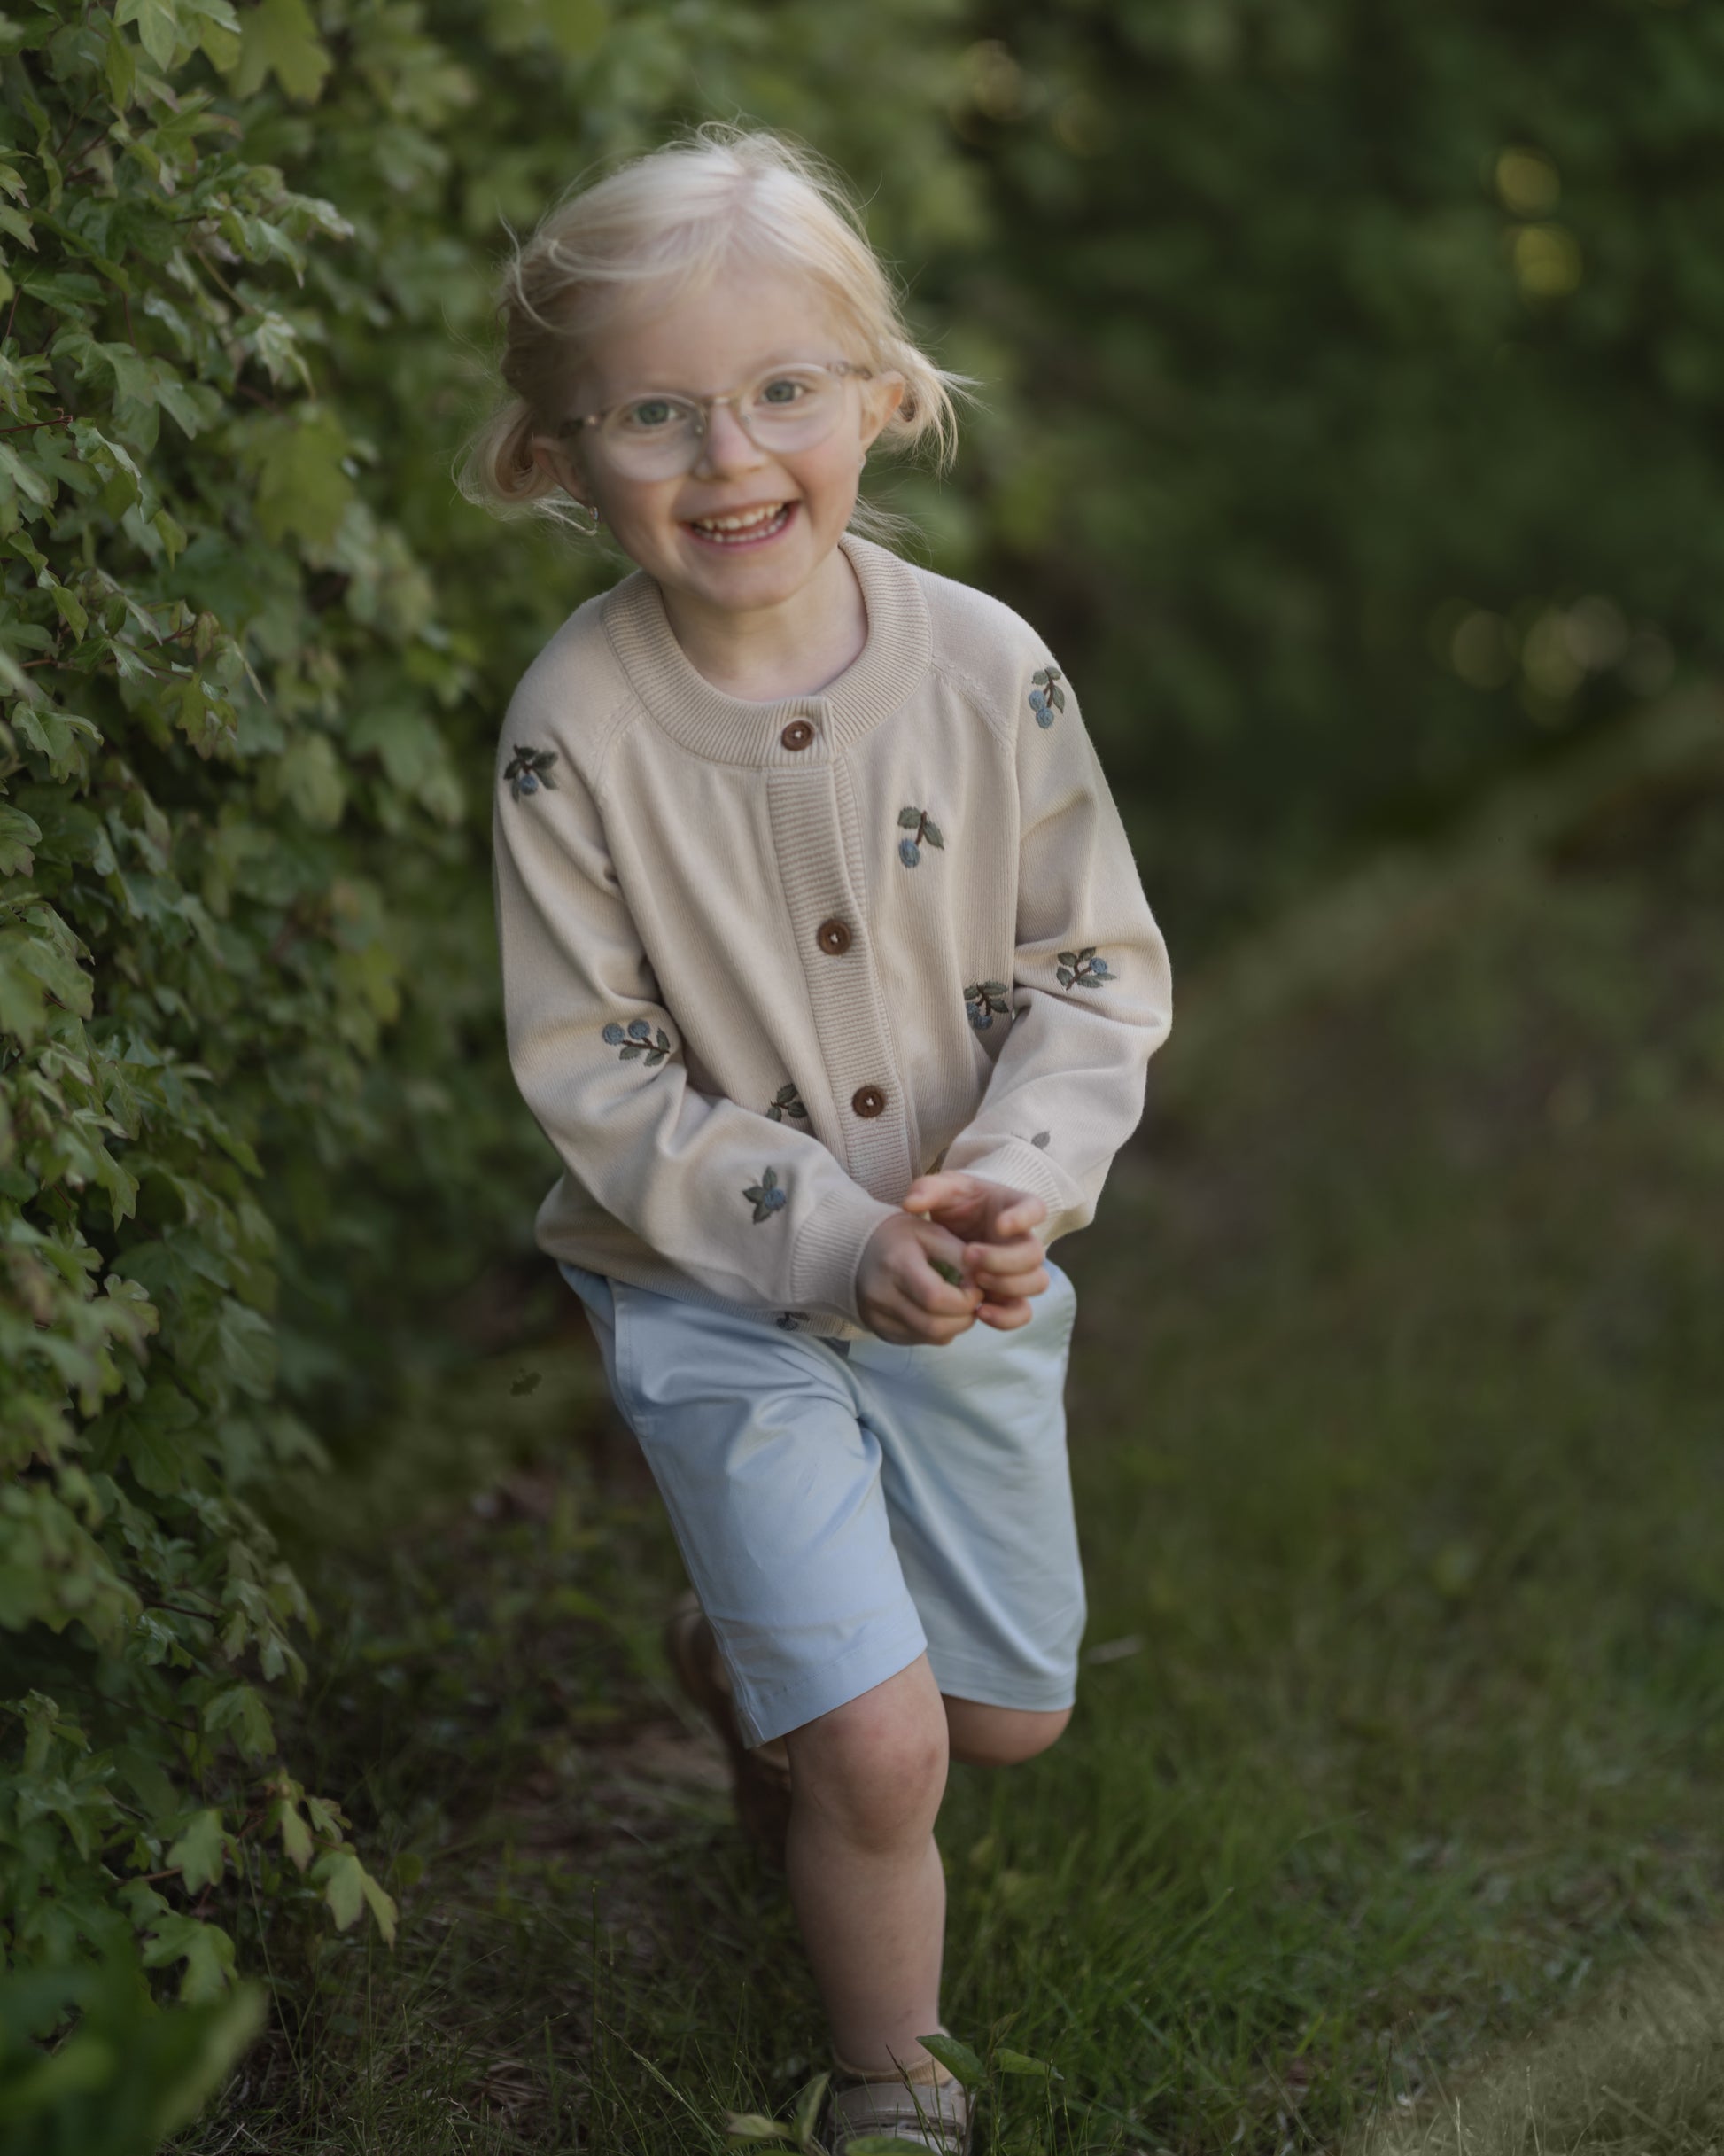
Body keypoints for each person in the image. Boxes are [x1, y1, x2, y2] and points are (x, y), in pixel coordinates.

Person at [462, 125, 1171, 2155]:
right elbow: (591, 1067)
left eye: (782, 388)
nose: (730, 452)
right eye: (656, 413)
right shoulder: (572, 727)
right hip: (713, 1292)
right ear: (556, 458)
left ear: (880, 395)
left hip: (965, 1279)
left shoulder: (983, 668)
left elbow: (1096, 969)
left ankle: (741, 1641)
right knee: (878, 1754)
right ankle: (889, 2082)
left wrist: (1010, 1188)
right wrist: (816, 1234)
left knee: (998, 1719)